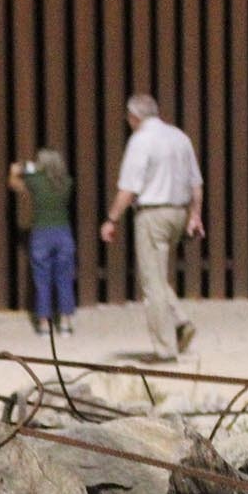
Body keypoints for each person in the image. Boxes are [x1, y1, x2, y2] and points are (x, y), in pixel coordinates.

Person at [101, 93, 205, 362]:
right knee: (157, 274)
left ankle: (165, 348)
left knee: (151, 283)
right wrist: (196, 215)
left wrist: (112, 219)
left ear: (134, 116)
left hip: (152, 213)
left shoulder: (140, 141)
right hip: (178, 212)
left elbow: (129, 187)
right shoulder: (180, 137)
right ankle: (181, 322)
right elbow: (196, 183)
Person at [7, 149, 77, 336]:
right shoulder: (67, 182)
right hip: (63, 233)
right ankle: (65, 323)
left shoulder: (35, 181)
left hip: (41, 233)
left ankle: (44, 324)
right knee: (64, 278)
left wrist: (16, 170)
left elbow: (14, 183)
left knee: (42, 280)